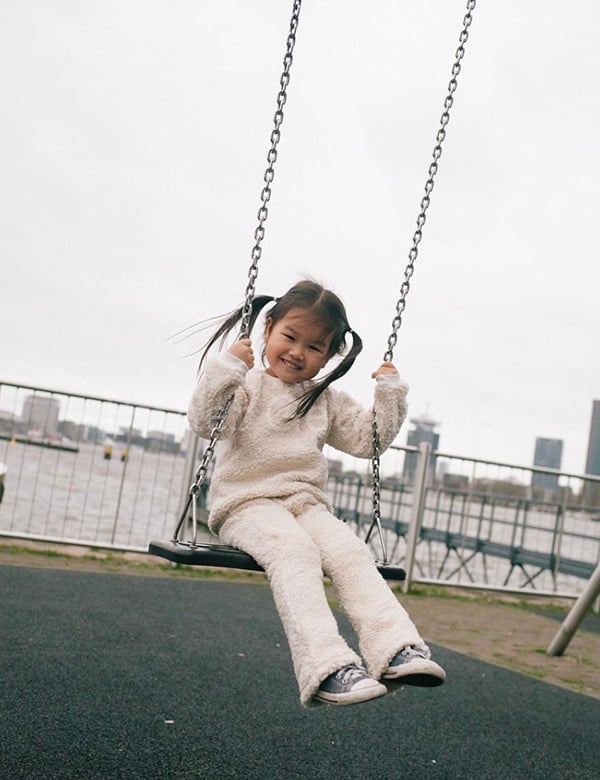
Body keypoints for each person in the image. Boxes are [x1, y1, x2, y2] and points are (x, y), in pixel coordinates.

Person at [188, 279, 445, 706]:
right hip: (245, 504)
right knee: (294, 552)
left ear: (329, 356)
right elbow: (207, 420)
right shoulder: (247, 384)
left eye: (314, 347)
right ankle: (327, 666)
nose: (297, 352)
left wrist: (389, 392)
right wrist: (228, 368)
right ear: (267, 329)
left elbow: (370, 440)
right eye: (290, 337)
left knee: (350, 553)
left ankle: (395, 647)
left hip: (305, 504)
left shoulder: (324, 400)